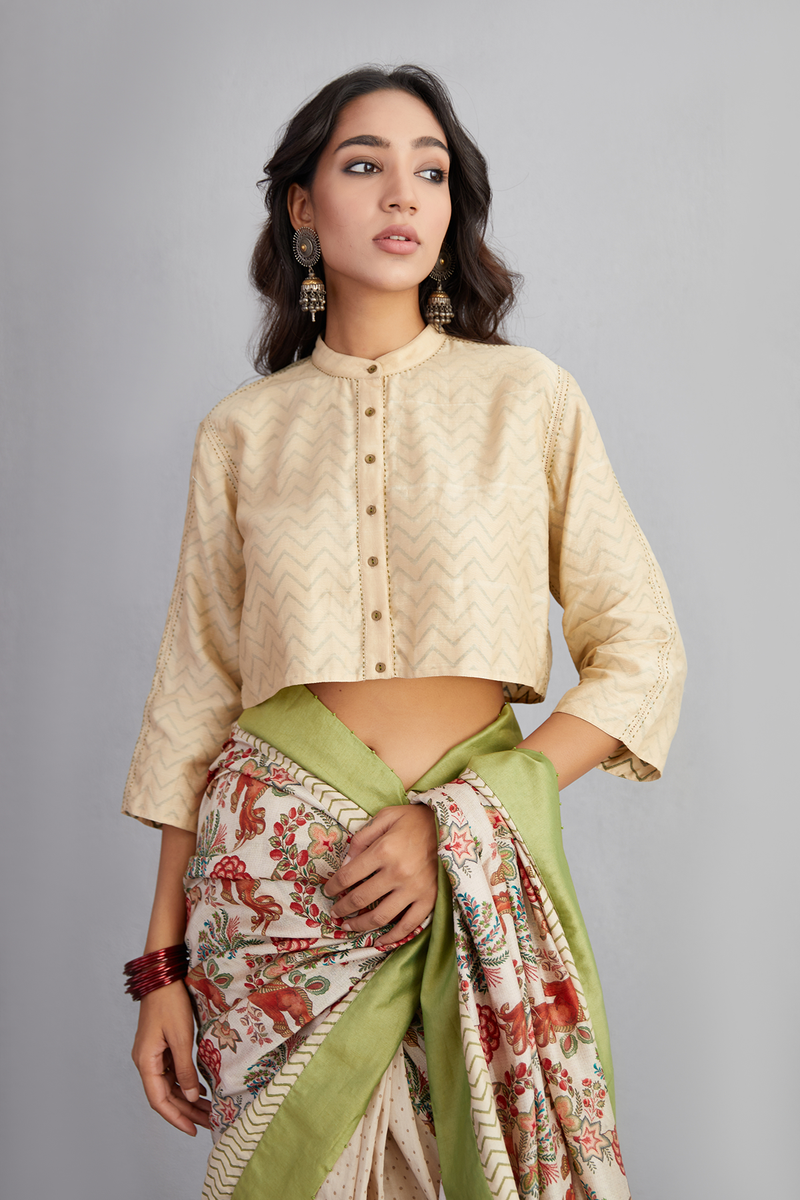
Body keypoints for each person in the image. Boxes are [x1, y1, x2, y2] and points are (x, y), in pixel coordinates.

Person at [124, 64, 685, 1200]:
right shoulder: (241, 432)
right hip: (275, 908)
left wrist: (460, 821)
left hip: (467, 881)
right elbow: (193, 698)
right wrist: (161, 969)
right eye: (363, 165)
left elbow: (642, 655)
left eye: (429, 172)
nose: (401, 196)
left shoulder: (527, 397)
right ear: (301, 205)